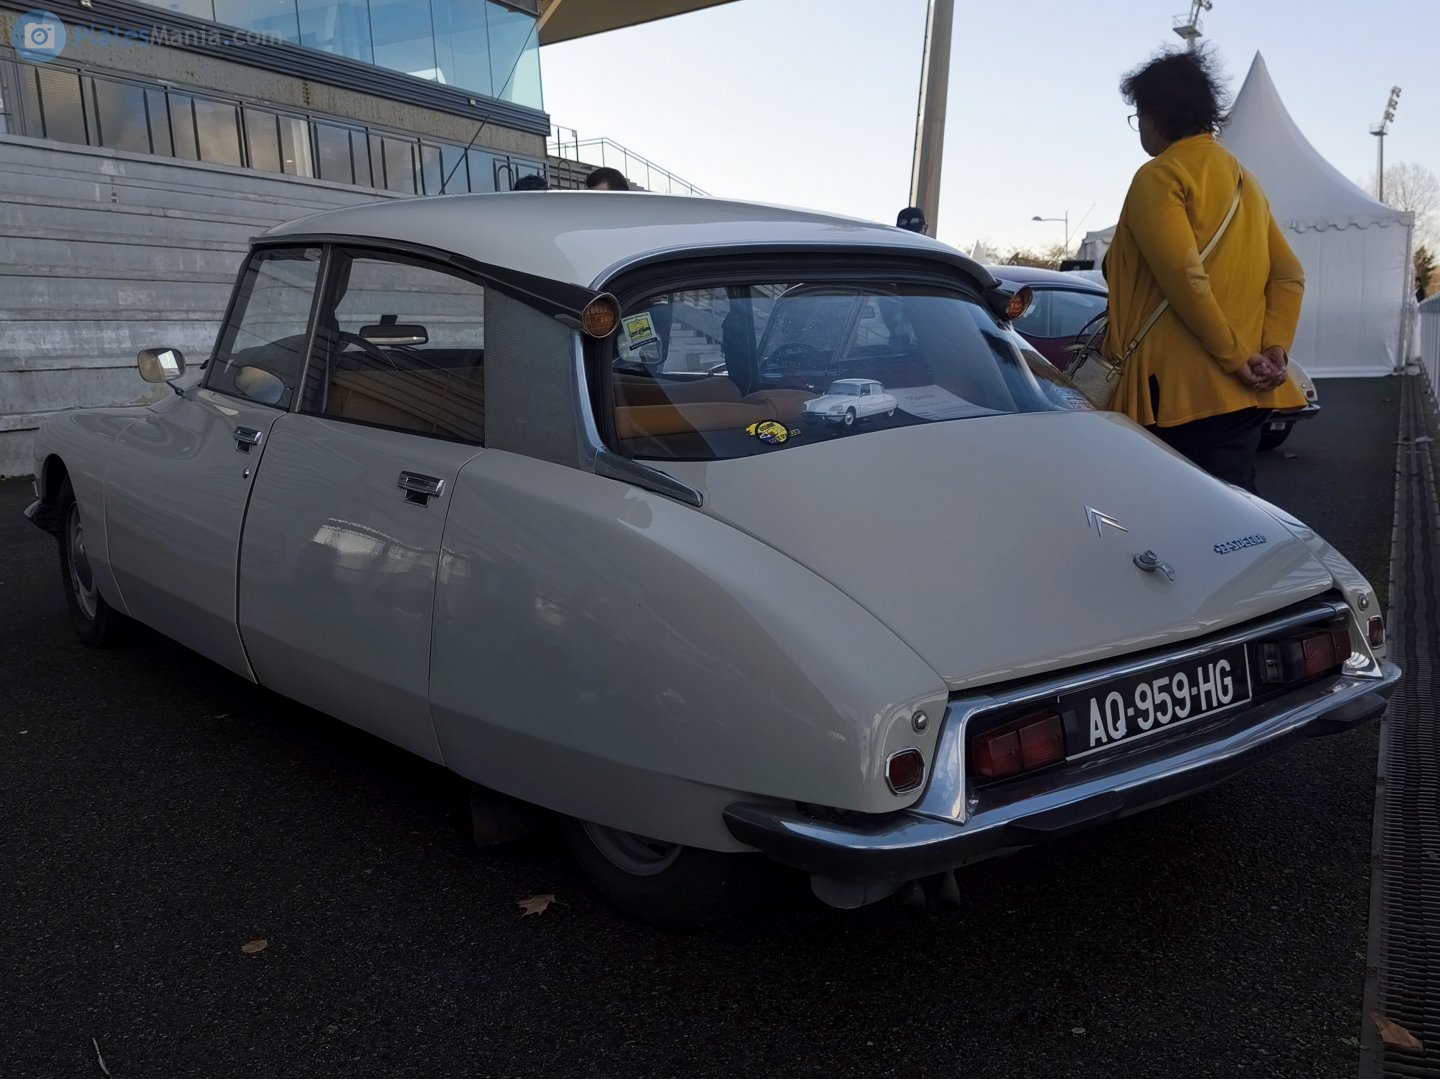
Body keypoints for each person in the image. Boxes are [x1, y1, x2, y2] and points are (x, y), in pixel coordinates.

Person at [1105, 48, 1306, 493]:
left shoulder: (1159, 175)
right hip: (1247, 395)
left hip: (1173, 395)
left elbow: (1186, 279)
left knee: (1170, 521)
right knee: (1237, 519)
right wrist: (1273, 348)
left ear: (1156, 117)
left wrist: (1235, 358)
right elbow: (1289, 274)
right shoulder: (1243, 181)